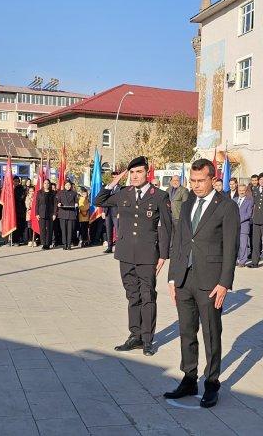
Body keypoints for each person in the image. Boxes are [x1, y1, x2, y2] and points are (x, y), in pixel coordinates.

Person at [164, 158, 239, 409]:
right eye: (192, 181)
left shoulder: (226, 206)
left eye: (200, 181)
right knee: (186, 331)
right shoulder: (186, 205)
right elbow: (180, 242)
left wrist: (224, 283)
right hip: (184, 279)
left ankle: (212, 382)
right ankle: (189, 378)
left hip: (210, 281)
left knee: (211, 333)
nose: (195, 186)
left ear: (212, 178)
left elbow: (231, 248)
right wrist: (173, 277)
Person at [95, 156, 173, 356]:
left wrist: (163, 255)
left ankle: (147, 339)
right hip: (125, 253)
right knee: (132, 296)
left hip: (148, 255)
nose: (135, 176)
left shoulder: (159, 196)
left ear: (147, 173)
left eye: (139, 172)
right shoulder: (123, 193)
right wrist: (116, 180)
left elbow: (165, 227)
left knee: (147, 296)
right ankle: (134, 336)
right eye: (132, 172)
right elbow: (99, 200)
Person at [55, 180, 79, 249]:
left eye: (69, 185)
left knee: (70, 230)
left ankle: (69, 244)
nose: (68, 186)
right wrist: (58, 204)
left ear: (71, 186)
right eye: (66, 185)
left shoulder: (74, 193)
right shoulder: (60, 193)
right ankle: (64, 244)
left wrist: (76, 204)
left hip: (71, 214)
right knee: (63, 230)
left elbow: (76, 201)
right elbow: (58, 201)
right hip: (62, 213)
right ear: (64, 186)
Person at [234, 184, 253, 265]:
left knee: (243, 245)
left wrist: (238, 220)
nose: (241, 192)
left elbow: (249, 214)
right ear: (238, 191)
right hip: (234, 227)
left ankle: (242, 261)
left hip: (243, 226)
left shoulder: (249, 201)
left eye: (243, 190)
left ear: (246, 191)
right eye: (240, 190)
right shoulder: (234, 200)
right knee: (235, 245)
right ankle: (235, 259)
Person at [36, 180, 56, 249]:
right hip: (41, 213)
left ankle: (48, 244)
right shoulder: (39, 192)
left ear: (49, 184)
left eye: (48, 183)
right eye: (45, 183)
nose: (46, 184)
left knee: (49, 229)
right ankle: (43, 243)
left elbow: (55, 204)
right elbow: (37, 204)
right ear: (43, 184)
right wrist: (37, 213)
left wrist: (54, 214)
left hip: (50, 213)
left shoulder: (53, 193)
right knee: (42, 229)